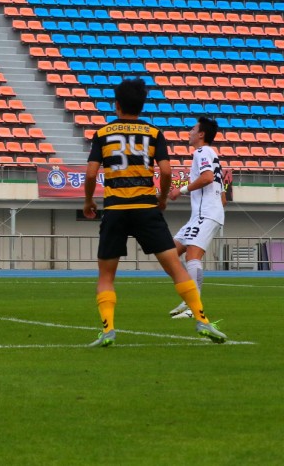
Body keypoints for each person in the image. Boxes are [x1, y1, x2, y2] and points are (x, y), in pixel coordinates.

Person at [83, 78, 227, 346]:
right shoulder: (153, 132)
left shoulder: (102, 133)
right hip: (146, 208)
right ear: (141, 106)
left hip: (115, 208)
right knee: (175, 267)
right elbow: (167, 171)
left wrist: (89, 201)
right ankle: (202, 320)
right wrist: (161, 198)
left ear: (117, 105)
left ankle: (108, 329)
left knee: (106, 275)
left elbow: (91, 173)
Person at [167, 116, 226, 319]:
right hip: (202, 215)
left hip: (206, 214)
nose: (189, 132)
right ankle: (189, 296)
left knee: (192, 256)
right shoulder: (212, 155)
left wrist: (180, 190)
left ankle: (194, 306)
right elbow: (222, 196)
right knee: (170, 254)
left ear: (201, 134)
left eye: (193, 129)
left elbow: (207, 178)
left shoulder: (202, 152)